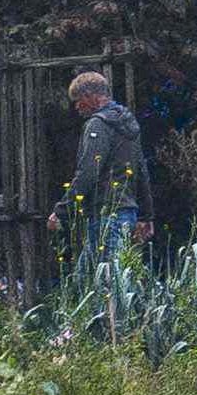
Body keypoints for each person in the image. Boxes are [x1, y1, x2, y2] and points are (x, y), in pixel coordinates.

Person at [53, 69, 148, 312]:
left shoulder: (97, 124)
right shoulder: (129, 123)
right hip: (127, 213)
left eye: (78, 101)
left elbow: (88, 172)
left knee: (102, 288)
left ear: (92, 96)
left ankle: (112, 340)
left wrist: (61, 211)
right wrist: (147, 216)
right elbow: (141, 171)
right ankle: (116, 338)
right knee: (114, 283)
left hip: (107, 215)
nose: (77, 107)